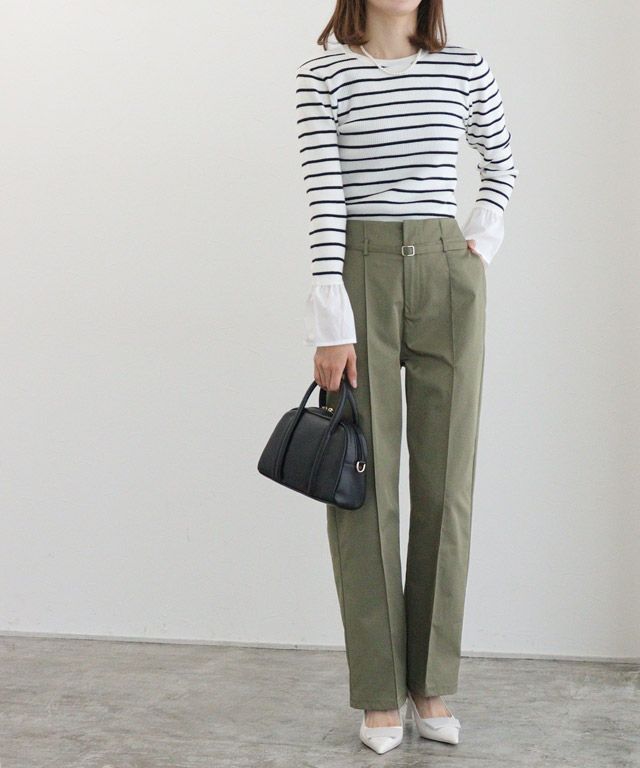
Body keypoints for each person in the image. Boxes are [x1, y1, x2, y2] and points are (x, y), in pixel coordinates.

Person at [295, 0, 518, 754]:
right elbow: (324, 196)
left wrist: (477, 243)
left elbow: (502, 161)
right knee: (363, 486)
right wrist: (331, 317)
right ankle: (379, 691)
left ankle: (430, 683)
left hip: (447, 272)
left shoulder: (466, 67)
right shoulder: (323, 76)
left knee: (446, 486)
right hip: (360, 270)